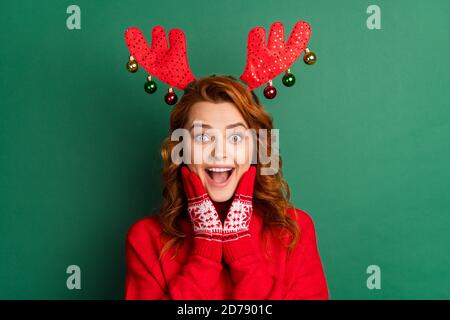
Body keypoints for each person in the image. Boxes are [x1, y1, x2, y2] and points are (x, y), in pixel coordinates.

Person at [124, 75, 329, 299]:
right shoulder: (146, 239)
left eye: (236, 138)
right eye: (202, 137)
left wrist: (243, 255)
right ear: (180, 150)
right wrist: (204, 255)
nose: (219, 152)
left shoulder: (293, 232)